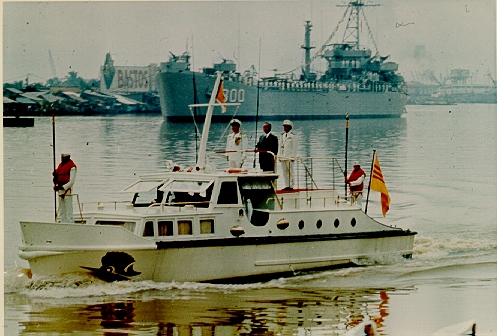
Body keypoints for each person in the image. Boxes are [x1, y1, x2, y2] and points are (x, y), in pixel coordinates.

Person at [53, 153, 77, 223]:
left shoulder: (72, 168)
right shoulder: (60, 166)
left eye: (64, 158)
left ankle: (70, 224)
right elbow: (56, 178)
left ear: (68, 158)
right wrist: (56, 183)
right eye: (62, 157)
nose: (62, 159)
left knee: (69, 209)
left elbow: (71, 182)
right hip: (60, 191)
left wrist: (63, 187)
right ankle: (62, 224)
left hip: (67, 191)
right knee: (61, 210)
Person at [279, 120, 298, 190]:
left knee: (291, 172)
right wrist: (279, 156)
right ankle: (287, 185)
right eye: (284, 126)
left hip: (289, 157)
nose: (285, 128)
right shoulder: (282, 136)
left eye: (286, 127)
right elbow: (280, 146)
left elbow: (295, 147)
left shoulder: (293, 136)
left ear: (290, 127)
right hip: (283, 157)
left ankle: (291, 186)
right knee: (285, 172)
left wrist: (293, 157)